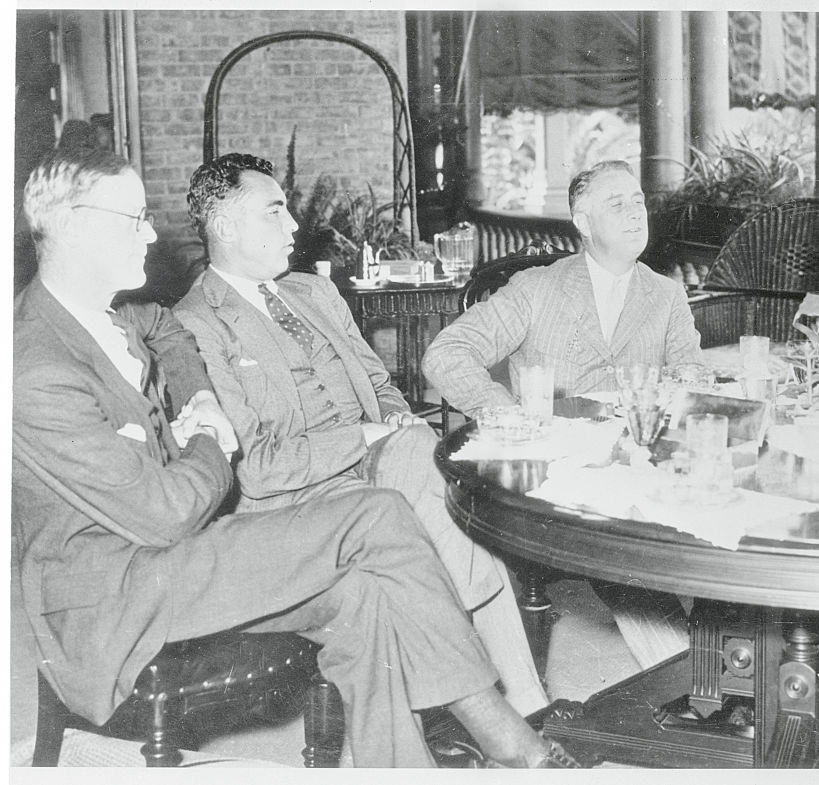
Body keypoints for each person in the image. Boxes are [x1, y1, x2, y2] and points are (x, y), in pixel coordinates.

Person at [12, 147, 575, 768]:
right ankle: (511, 738)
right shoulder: (34, 365)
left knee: (369, 587)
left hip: (178, 549)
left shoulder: (115, 313)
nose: (151, 235)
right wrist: (212, 434)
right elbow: (167, 513)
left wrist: (200, 397)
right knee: (380, 516)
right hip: (117, 588)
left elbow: (163, 330)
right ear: (73, 225)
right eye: (135, 219)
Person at [173, 153, 546, 717]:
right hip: (295, 500)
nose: (293, 225)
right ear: (224, 227)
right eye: (274, 212)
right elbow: (256, 469)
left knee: (430, 461)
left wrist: (394, 418)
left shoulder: (314, 292)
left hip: (377, 461)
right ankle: (509, 701)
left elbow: (378, 383)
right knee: (443, 505)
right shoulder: (195, 322)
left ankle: (482, 700)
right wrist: (368, 437)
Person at [423, 159, 703, 671]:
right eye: (616, 204)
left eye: (638, 201)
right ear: (582, 222)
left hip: (640, 464)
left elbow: (692, 379)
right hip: (555, 474)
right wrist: (507, 414)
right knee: (625, 536)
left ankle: (709, 669)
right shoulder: (538, 288)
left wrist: (684, 394)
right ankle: (692, 674)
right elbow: (447, 353)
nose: (635, 213)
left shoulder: (665, 295)